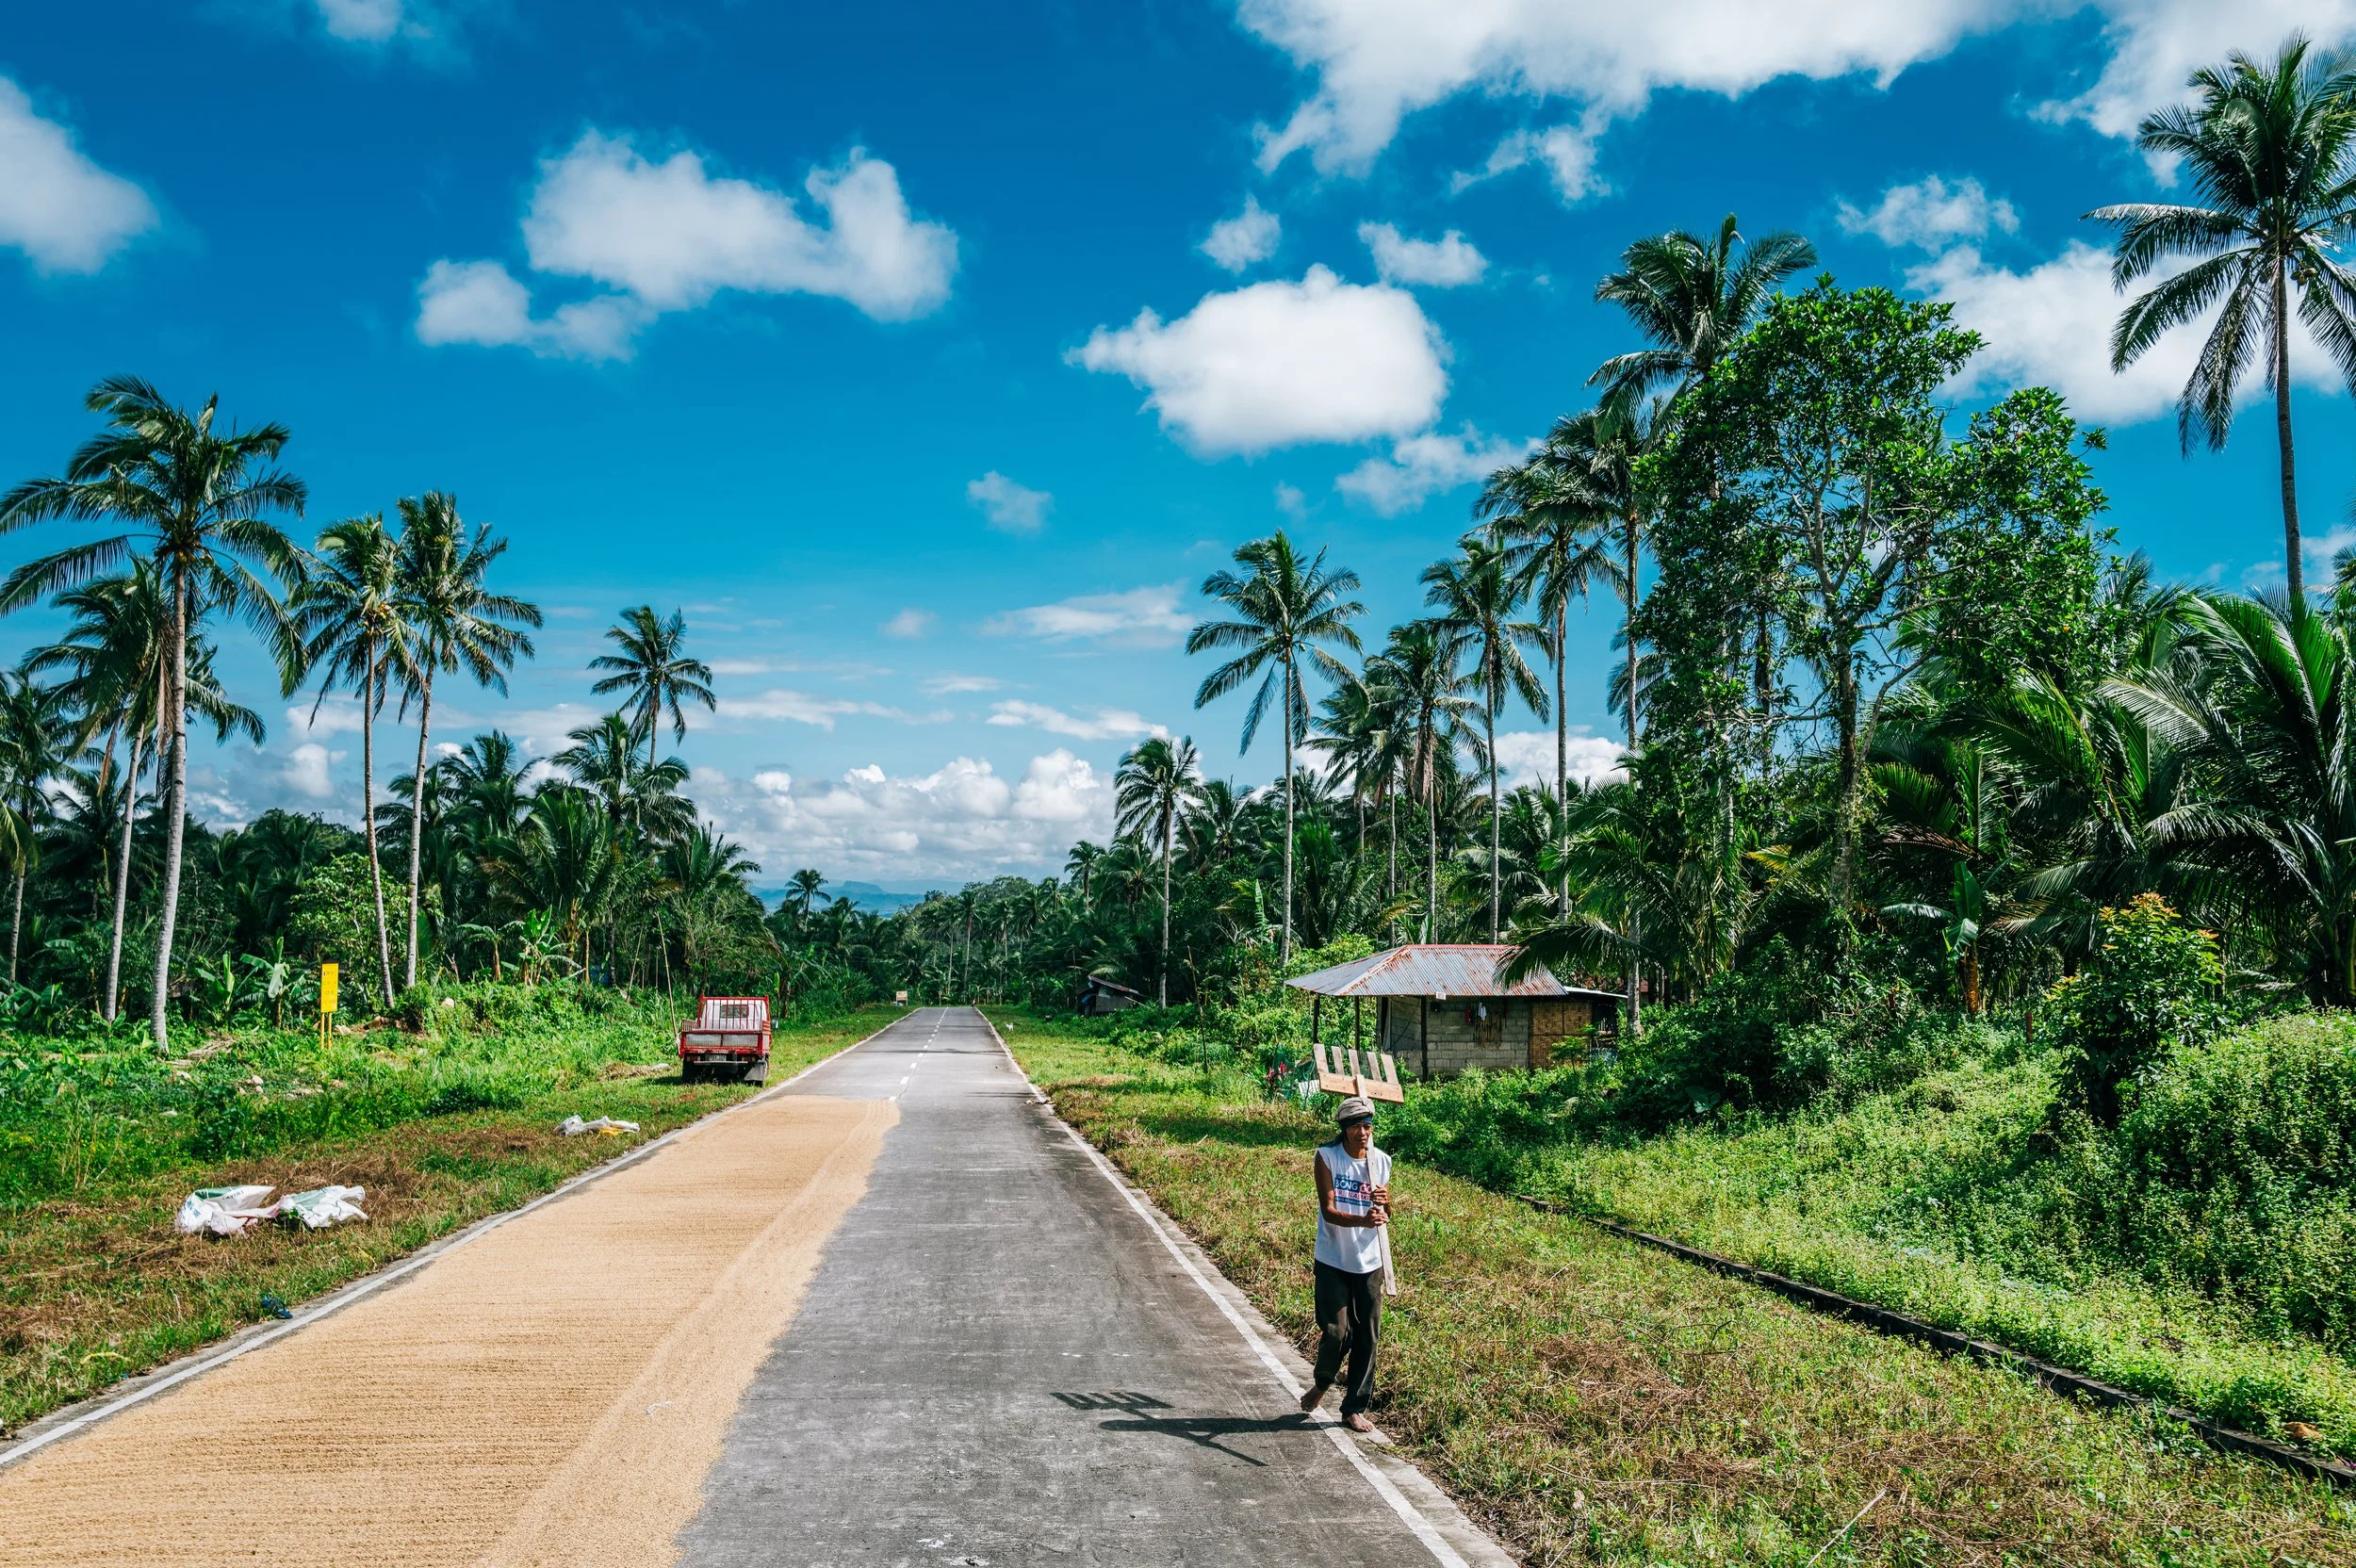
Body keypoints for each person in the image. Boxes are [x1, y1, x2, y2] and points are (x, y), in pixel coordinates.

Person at [1299, 1094, 1391, 1432]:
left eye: (1367, 1126)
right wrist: (1362, 1221)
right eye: (1356, 1127)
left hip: (1370, 1261)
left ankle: (1353, 1407)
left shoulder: (1382, 1161)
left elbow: (1384, 1214)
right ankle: (1323, 1382)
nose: (1363, 1133)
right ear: (1344, 1129)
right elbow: (1329, 1210)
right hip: (1333, 1259)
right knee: (1337, 1331)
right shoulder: (1327, 1158)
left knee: (1368, 1334)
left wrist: (1385, 1203)